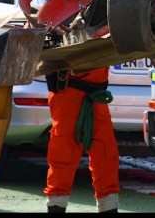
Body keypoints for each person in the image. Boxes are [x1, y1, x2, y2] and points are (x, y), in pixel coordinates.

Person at [43, 67, 120, 213]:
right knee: (63, 154)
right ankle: (56, 206)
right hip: (68, 91)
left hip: (96, 94)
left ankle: (109, 206)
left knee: (105, 154)